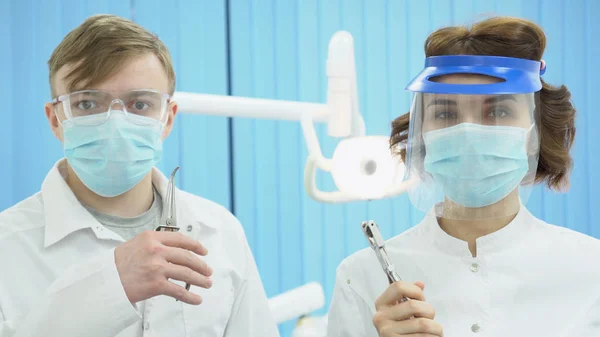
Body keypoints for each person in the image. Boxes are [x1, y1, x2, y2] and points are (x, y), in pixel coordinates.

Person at [0, 14, 279, 337]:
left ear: (168, 118)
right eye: (88, 103)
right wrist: (110, 286)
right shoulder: (8, 247)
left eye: (140, 104)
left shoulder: (220, 232)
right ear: (55, 119)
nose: (115, 123)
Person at [327, 16, 600, 337]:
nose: (468, 133)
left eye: (498, 111)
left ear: (534, 131)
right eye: (445, 113)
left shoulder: (590, 270)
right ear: (422, 134)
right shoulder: (361, 277)